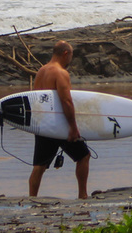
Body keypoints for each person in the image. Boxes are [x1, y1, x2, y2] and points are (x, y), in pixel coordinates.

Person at [28, 41, 90, 199]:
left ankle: (32, 198)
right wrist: (73, 127)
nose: (70, 59)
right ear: (65, 54)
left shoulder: (41, 71)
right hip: (59, 124)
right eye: (71, 56)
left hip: (43, 124)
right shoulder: (60, 73)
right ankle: (82, 195)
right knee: (83, 156)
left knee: (39, 166)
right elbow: (66, 101)